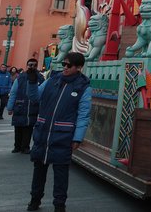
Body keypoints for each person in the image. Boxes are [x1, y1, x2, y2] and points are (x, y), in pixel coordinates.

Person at [26, 52, 92, 212]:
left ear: (79, 67)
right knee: (38, 171)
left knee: (61, 174)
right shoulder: (52, 80)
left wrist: (78, 137)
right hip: (43, 132)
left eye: (69, 65)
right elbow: (34, 97)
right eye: (64, 64)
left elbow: (84, 114)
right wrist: (32, 81)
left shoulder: (84, 87)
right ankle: (35, 200)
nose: (65, 68)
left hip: (63, 136)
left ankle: (59, 205)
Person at [7, 58, 45, 153]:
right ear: (27, 65)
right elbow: (13, 92)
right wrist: (10, 107)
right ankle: (17, 146)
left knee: (28, 129)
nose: (31, 66)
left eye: (34, 65)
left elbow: (43, 94)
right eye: (30, 65)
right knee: (18, 127)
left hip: (33, 107)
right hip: (20, 105)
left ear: (37, 66)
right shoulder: (20, 77)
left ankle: (25, 147)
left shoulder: (40, 78)